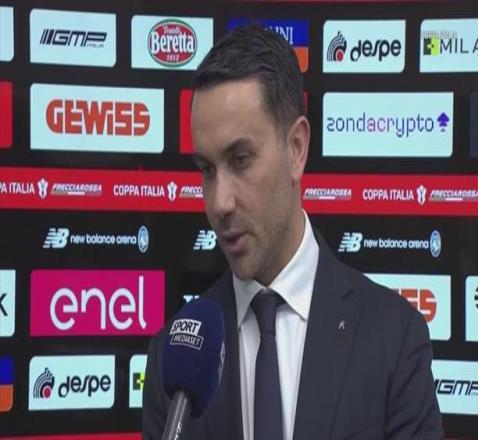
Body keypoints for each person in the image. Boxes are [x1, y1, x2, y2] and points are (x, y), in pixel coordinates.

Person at [143, 24, 443, 440]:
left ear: (297, 148)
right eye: (207, 170)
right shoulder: (172, 360)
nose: (219, 202)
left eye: (241, 159)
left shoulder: (393, 338)